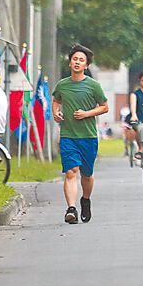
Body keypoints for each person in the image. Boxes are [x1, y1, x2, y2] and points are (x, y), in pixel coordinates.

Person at [53, 44, 109, 224]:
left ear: (86, 65)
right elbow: (56, 100)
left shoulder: (93, 86)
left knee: (86, 173)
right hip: (68, 136)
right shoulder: (62, 85)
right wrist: (56, 112)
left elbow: (104, 107)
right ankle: (71, 209)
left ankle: (85, 200)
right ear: (70, 63)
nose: (77, 62)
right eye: (74, 59)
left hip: (88, 136)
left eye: (81, 60)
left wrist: (87, 113)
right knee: (71, 172)